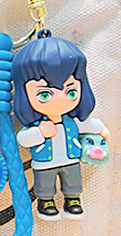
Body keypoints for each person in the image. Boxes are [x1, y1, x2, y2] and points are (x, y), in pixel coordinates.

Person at [11, 35, 109, 220]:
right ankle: (45, 201)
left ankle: (73, 199)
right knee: (45, 183)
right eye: (45, 94)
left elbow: (89, 125)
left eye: (70, 92)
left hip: (70, 159)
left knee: (73, 181)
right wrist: (40, 132)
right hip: (45, 163)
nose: (61, 99)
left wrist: (102, 130)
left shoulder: (71, 121)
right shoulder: (38, 125)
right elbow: (23, 139)